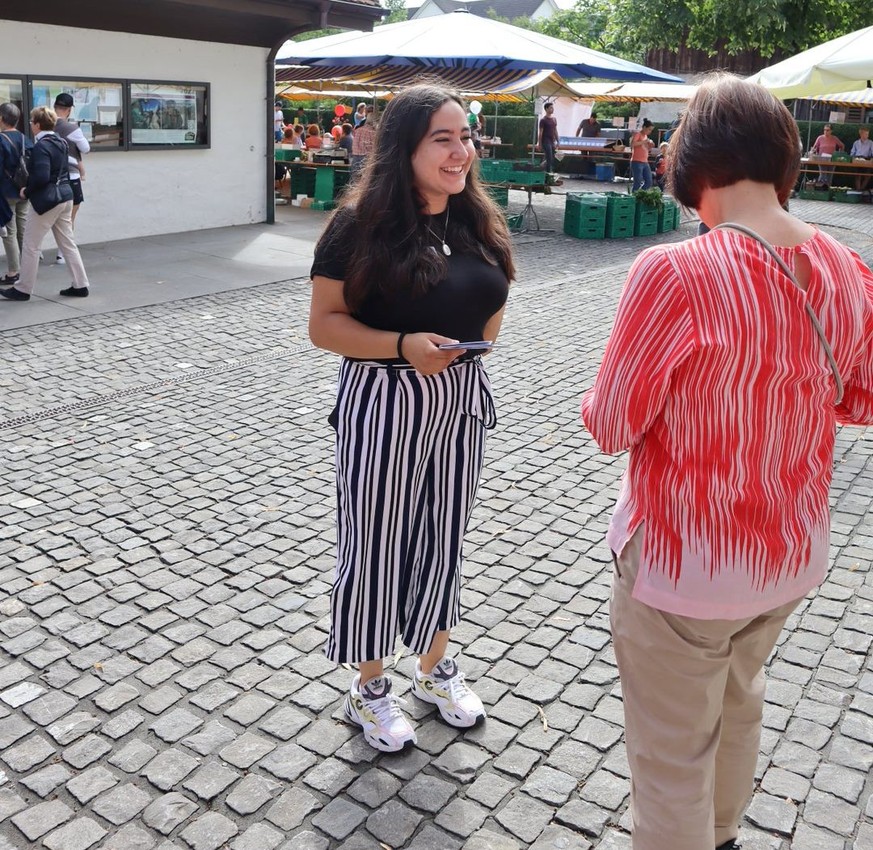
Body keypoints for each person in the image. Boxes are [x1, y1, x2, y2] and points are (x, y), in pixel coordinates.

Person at [580, 75, 873, 850]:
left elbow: (611, 424)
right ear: (783, 162)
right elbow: (860, 398)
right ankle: (721, 833)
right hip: (786, 553)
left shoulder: (673, 272)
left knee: (671, 753)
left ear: (692, 167)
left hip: (684, 565)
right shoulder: (848, 269)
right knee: (740, 700)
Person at [308, 82, 514, 753]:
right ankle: (370, 689)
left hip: (457, 400)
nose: (461, 153)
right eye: (443, 139)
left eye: (466, 137)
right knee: (376, 542)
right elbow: (324, 327)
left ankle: (433, 669)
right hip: (384, 398)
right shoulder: (357, 225)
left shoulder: (476, 216)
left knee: (442, 539)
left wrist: (465, 345)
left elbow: (491, 298)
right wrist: (401, 346)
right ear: (406, 146)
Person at [1, 107, 90, 302]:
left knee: (31, 246)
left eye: (32, 122)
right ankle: (81, 284)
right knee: (68, 243)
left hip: (48, 201)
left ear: (38, 125)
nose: (31, 124)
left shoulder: (42, 146)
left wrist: (27, 190)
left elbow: (41, 176)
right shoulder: (60, 141)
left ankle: (23, 288)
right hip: (66, 196)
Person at [53, 93, 90, 264]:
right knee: (69, 218)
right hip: (71, 176)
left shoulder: (46, 125)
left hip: (50, 176)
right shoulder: (72, 128)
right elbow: (86, 147)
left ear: (55, 107)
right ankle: (62, 254)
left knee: (44, 217)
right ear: (68, 110)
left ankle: (35, 251)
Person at [0, 102, 28, 285]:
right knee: (23, 230)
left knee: (9, 232)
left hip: (6, 191)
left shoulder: (1, 139)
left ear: (2, 119)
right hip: (24, 190)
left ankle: (13, 272)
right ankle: (27, 268)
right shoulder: (25, 138)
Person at [350, 104, 376, 179]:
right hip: (366, 160)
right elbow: (374, 149)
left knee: (354, 183)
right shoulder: (373, 132)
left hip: (355, 159)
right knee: (365, 184)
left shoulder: (357, 130)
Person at [630, 117, 655, 191]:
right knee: (637, 182)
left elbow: (645, 148)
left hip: (645, 161)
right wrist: (643, 142)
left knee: (649, 182)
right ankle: (635, 195)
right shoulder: (638, 134)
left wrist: (650, 146)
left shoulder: (645, 136)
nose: (650, 131)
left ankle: (640, 194)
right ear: (644, 127)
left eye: (651, 130)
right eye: (649, 129)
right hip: (637, 161)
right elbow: (633, 144)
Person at [849, 126, 873, 191]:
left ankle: (861, 189)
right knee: (858, 175)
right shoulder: (856, 143)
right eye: (866, 134)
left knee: (867, 175)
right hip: (857, 159)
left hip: (867, 159)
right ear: (861, 134)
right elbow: (852, 153)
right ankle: (858, 190)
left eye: (868, 134)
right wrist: (853, 158)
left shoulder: (870, 143)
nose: (867, 136)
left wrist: (871, 159)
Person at [537, 102, 559, 173]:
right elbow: (540, 133)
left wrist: (558, 141)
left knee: (551, 158)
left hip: (552, 141)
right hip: (545, 141)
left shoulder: (554, 119)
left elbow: (555, 130)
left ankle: (542, 169)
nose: (552, 109)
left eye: (553, 108)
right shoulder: (543, 120)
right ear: (546, 109)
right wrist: (539, 144)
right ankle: (548, 173)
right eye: (551, 108)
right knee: (549, 157)